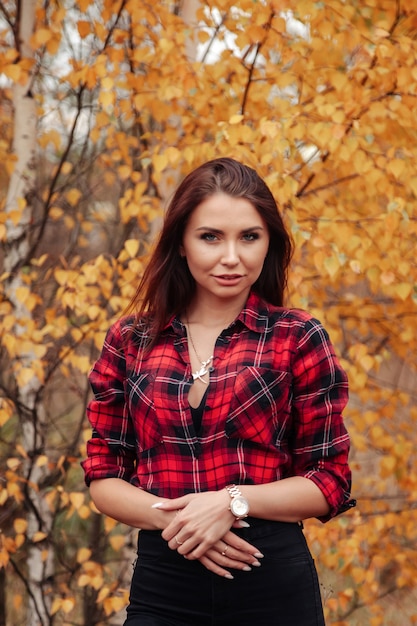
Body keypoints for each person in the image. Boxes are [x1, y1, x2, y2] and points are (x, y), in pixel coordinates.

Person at [82, 157, 355, 626]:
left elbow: (329, 479)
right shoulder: (131, 340)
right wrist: (182, 521)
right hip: (163, 579)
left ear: (269, 244)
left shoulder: (298, 336)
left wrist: (230, 501)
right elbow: (104, 476)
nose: (232, 256)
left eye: (249, 237)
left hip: (269, 577)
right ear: (181, 245)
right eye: (211, 237)